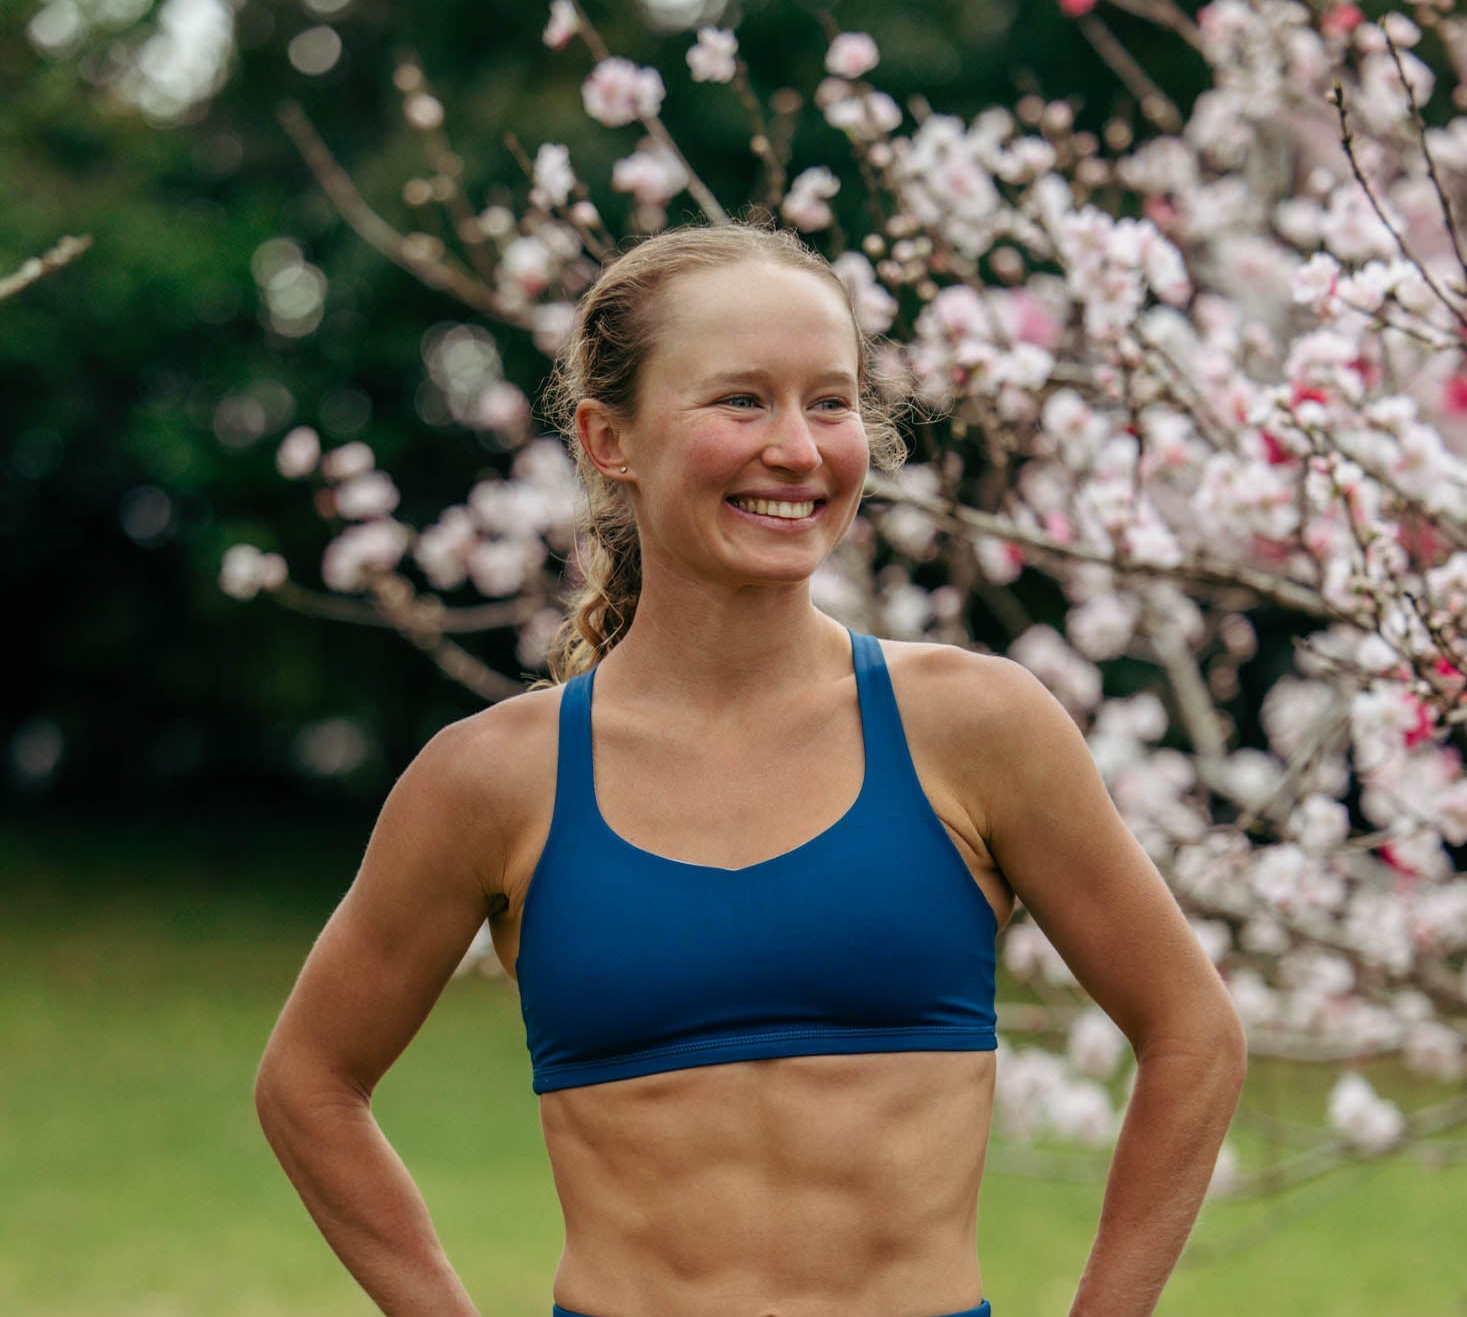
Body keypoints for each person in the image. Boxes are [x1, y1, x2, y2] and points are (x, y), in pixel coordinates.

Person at [254, 220, 1247, 1317]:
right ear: (607, 440)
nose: (800, 448)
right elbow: (308, 1085)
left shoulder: (978, 726)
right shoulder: (493, 780)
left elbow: (1192, 1031)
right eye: (741, 401)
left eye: (830, 401)